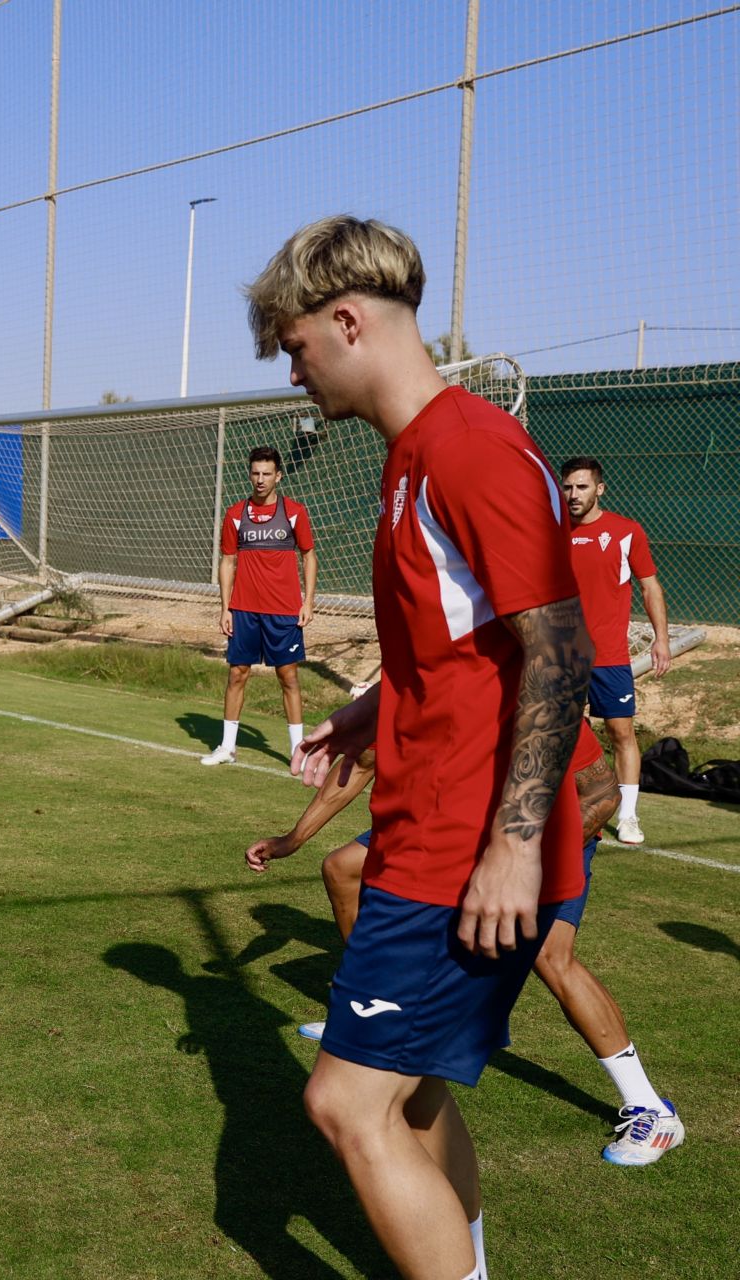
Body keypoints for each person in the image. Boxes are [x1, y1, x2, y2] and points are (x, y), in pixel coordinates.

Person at [248, 215, 592, 1280]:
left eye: (297, 348)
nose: (295, 374)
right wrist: (374, 709)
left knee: (346, 1101)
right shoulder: (412, 459)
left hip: (462, 844)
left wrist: (515, 844)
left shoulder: (471, 446)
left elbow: (561, 650)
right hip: (425, 825)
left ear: (346, 320)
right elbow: (464, 647)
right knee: (420, 1090)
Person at [246, 720, 685, 1165]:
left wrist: (517, 864)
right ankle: (375, 1011)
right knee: (343, 868)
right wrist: (292, 839)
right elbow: (363, 761)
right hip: (460, 825)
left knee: (552, 958)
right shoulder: (414, 683)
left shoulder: (532, 693)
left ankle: (650, 1107)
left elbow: (602, 795)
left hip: (544, 833)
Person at [562, 457, 671, 845]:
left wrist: (661, 638)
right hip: (561, 656)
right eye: (569, 487)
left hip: (609, 657)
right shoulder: (550, 531)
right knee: (564, 734)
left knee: (621, 732)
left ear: (600, 489)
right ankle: (574, 807)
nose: (574, 495)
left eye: (582, 487)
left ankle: (627, 816)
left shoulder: (626, 531)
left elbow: (650, 587)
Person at [201, 446, 317, 766]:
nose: (260, 479)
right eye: (255, 473)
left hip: (283, 611)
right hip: (244, 610)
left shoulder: (294, 512)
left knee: (288, 677)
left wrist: (307, 601)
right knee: (237, 674)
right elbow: (227, 561)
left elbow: (309, 556)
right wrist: (226, 608)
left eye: (267, 473)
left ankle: (298, 751)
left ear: (278, 476)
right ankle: (227, 747)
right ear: (249, 474)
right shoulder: (235, 514)